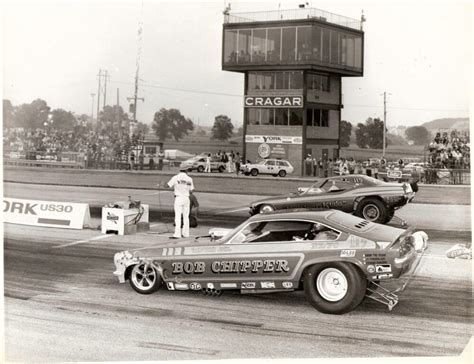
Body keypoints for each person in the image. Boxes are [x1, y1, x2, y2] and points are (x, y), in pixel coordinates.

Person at [161, 168, 194, 238]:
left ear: (180, 170)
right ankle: (186, 233)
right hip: (186, 198)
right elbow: (191, 191)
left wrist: (163, 184)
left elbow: (167, 186)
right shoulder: (189, 179)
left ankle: (177, 234)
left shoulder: (175, 177)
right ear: (186, 171)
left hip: (179, 198)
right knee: (186, 217)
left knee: (178, 216)